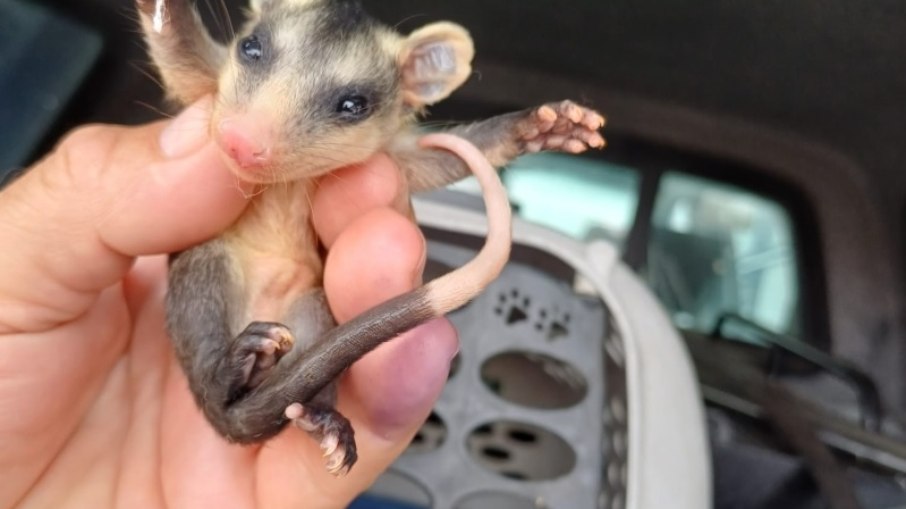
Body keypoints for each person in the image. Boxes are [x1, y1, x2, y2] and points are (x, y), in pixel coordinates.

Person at [0, 97, 458, 508]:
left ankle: (310, 404)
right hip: (229, 290)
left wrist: (510, 134)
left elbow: (423, 159)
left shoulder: (350, 143)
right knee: (202, 266)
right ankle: (242, 377)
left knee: (326, 305)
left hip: (295, 299)